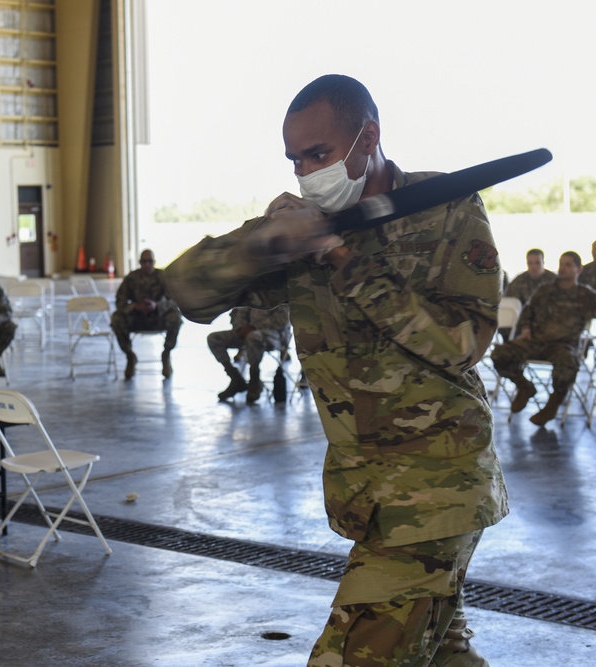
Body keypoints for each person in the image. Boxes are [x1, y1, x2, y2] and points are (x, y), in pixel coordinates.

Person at [165, 74, 507, 666]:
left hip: (434, 487)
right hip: (369, 493)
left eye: (318, 154)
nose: (305, 171)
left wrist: (345, 261)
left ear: (367, 136)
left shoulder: (446, 208)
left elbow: (462, 343)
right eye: (295, 159)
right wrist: (264, 241)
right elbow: (188, 290)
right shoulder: (304, 227)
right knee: (444, 656)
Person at [491, 251, 596, 426]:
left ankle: (553, 404)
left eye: (568, 265)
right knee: (499, 354)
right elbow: (527, 312)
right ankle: (525, 387)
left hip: (563, 346)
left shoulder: (586, 296)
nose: (562, 268)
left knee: (569, 364)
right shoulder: (545, 290)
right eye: (561, 264)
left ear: (579, 269)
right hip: (536, 341)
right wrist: (525, 329)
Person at [111, 249, 183, 379]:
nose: (147, 264)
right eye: (144, 261)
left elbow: (174, 300)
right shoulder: (132, 278)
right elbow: (119, 301)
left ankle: (166, 354)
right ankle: (130, 356)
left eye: (150, 261)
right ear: (139, 262)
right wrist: (135, 306)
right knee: (116, 318)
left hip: (157, 317)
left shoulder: (162, 276)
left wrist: (157, 306)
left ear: (154, 262)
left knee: (176, 317)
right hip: (137, 317)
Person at [208, 302, 290, 403]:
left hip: (275, 335)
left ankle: (255, 381)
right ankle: (236, 379)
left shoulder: (279, 293)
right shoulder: (254, 292)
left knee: (253, 337)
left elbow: (282, 320)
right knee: (214, 338)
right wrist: (241, 328)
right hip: (248, 332)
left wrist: (254, 327)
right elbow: (241, 312)